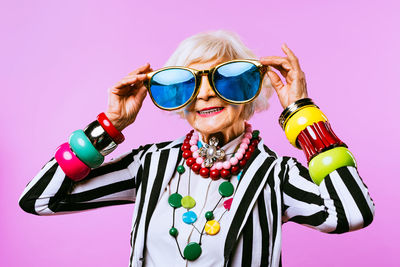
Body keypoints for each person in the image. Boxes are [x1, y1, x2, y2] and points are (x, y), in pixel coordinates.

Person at [19, 30, 375, 267]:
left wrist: (302, 114)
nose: (205, 93)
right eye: (187, 82)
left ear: (249, 91)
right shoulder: (150, 164)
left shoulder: (275, 175)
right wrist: (110, 125)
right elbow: (40, 198)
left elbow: (352, 213)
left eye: (225, 78)